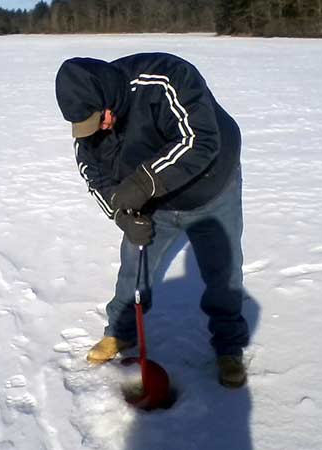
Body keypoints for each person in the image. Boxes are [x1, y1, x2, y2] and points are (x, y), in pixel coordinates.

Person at [55, 53, 249, 388]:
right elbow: (93, 174)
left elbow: (200, 140)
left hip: (212, 188)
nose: (97, 128)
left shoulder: (163, 78)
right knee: (133, 265)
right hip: (153, 198)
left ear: (106, 97)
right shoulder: (89, 123)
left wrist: (142, 183)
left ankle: (228, 347)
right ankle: (120, 332)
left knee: (223, 272)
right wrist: (122, 215)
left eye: (97, 119)